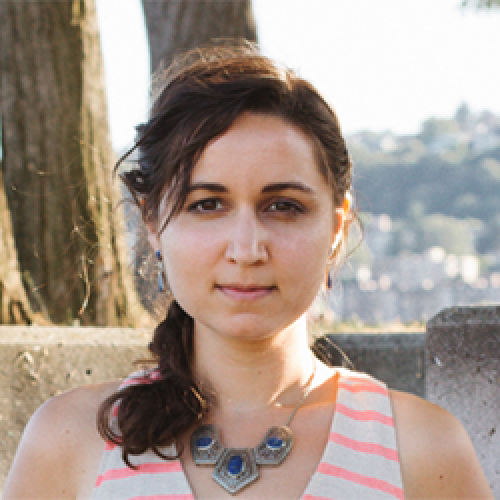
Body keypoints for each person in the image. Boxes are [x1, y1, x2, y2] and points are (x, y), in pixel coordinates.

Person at [3, 43, 493, 500]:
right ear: (152, 222)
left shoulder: (424, 451)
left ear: (337, 228)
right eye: (208, 204)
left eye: (282, 206)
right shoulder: (69, 441)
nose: (246, 249)